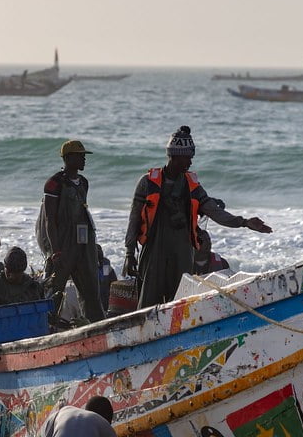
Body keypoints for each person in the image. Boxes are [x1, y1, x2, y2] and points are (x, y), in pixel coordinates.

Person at [124, 126, 272, 308]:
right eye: (187, 157)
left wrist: (244, 222)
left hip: (183, 252)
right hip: (154, 252)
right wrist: (129, 253)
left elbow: (215, 212)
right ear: (174, 156)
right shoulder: (147, 183)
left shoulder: (192, 185)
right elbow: (134, 220)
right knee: (148, 304)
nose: (190, 162)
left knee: (179, 304)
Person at [36, 140, 105, 323]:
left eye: (84, 156)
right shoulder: (53, 184)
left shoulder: (83, 182)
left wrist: (93, 246)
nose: (84, 159)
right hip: (63, 246)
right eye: (80, 155)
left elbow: (83, 213)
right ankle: (45, 326)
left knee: (91, 291)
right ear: (68, 158)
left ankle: (94, 327)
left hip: (83, 244)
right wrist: (55, 251)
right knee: (54, 291)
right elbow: (50, 220)